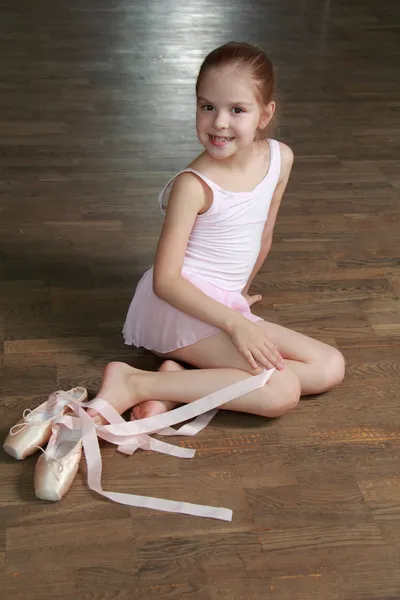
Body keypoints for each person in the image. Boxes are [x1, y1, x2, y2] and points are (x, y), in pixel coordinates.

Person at [88, 41, 345, 426]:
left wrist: (237, 296)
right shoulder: (193, 185)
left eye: (237, 109)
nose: (219, 122)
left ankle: (178, 382)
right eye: (207, 106)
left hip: (222, 308)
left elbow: (264, 234)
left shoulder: (280, 159)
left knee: (328, 366)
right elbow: (166, 282)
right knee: (280, 390)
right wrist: (236, 323)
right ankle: (135, 383)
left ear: (264, 114)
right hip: (176, 308)